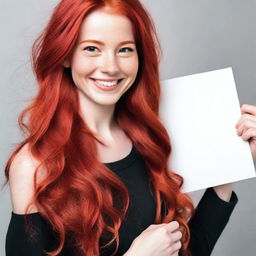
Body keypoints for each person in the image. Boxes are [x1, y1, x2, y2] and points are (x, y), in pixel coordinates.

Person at [3, 0, 256, 255]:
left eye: (125, 50)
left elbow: (190, 251)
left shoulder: (151, 140)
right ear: (66, 55)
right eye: (92, 48)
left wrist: (231, 164)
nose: (111, 67)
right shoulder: (34, 165)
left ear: (140, 56)